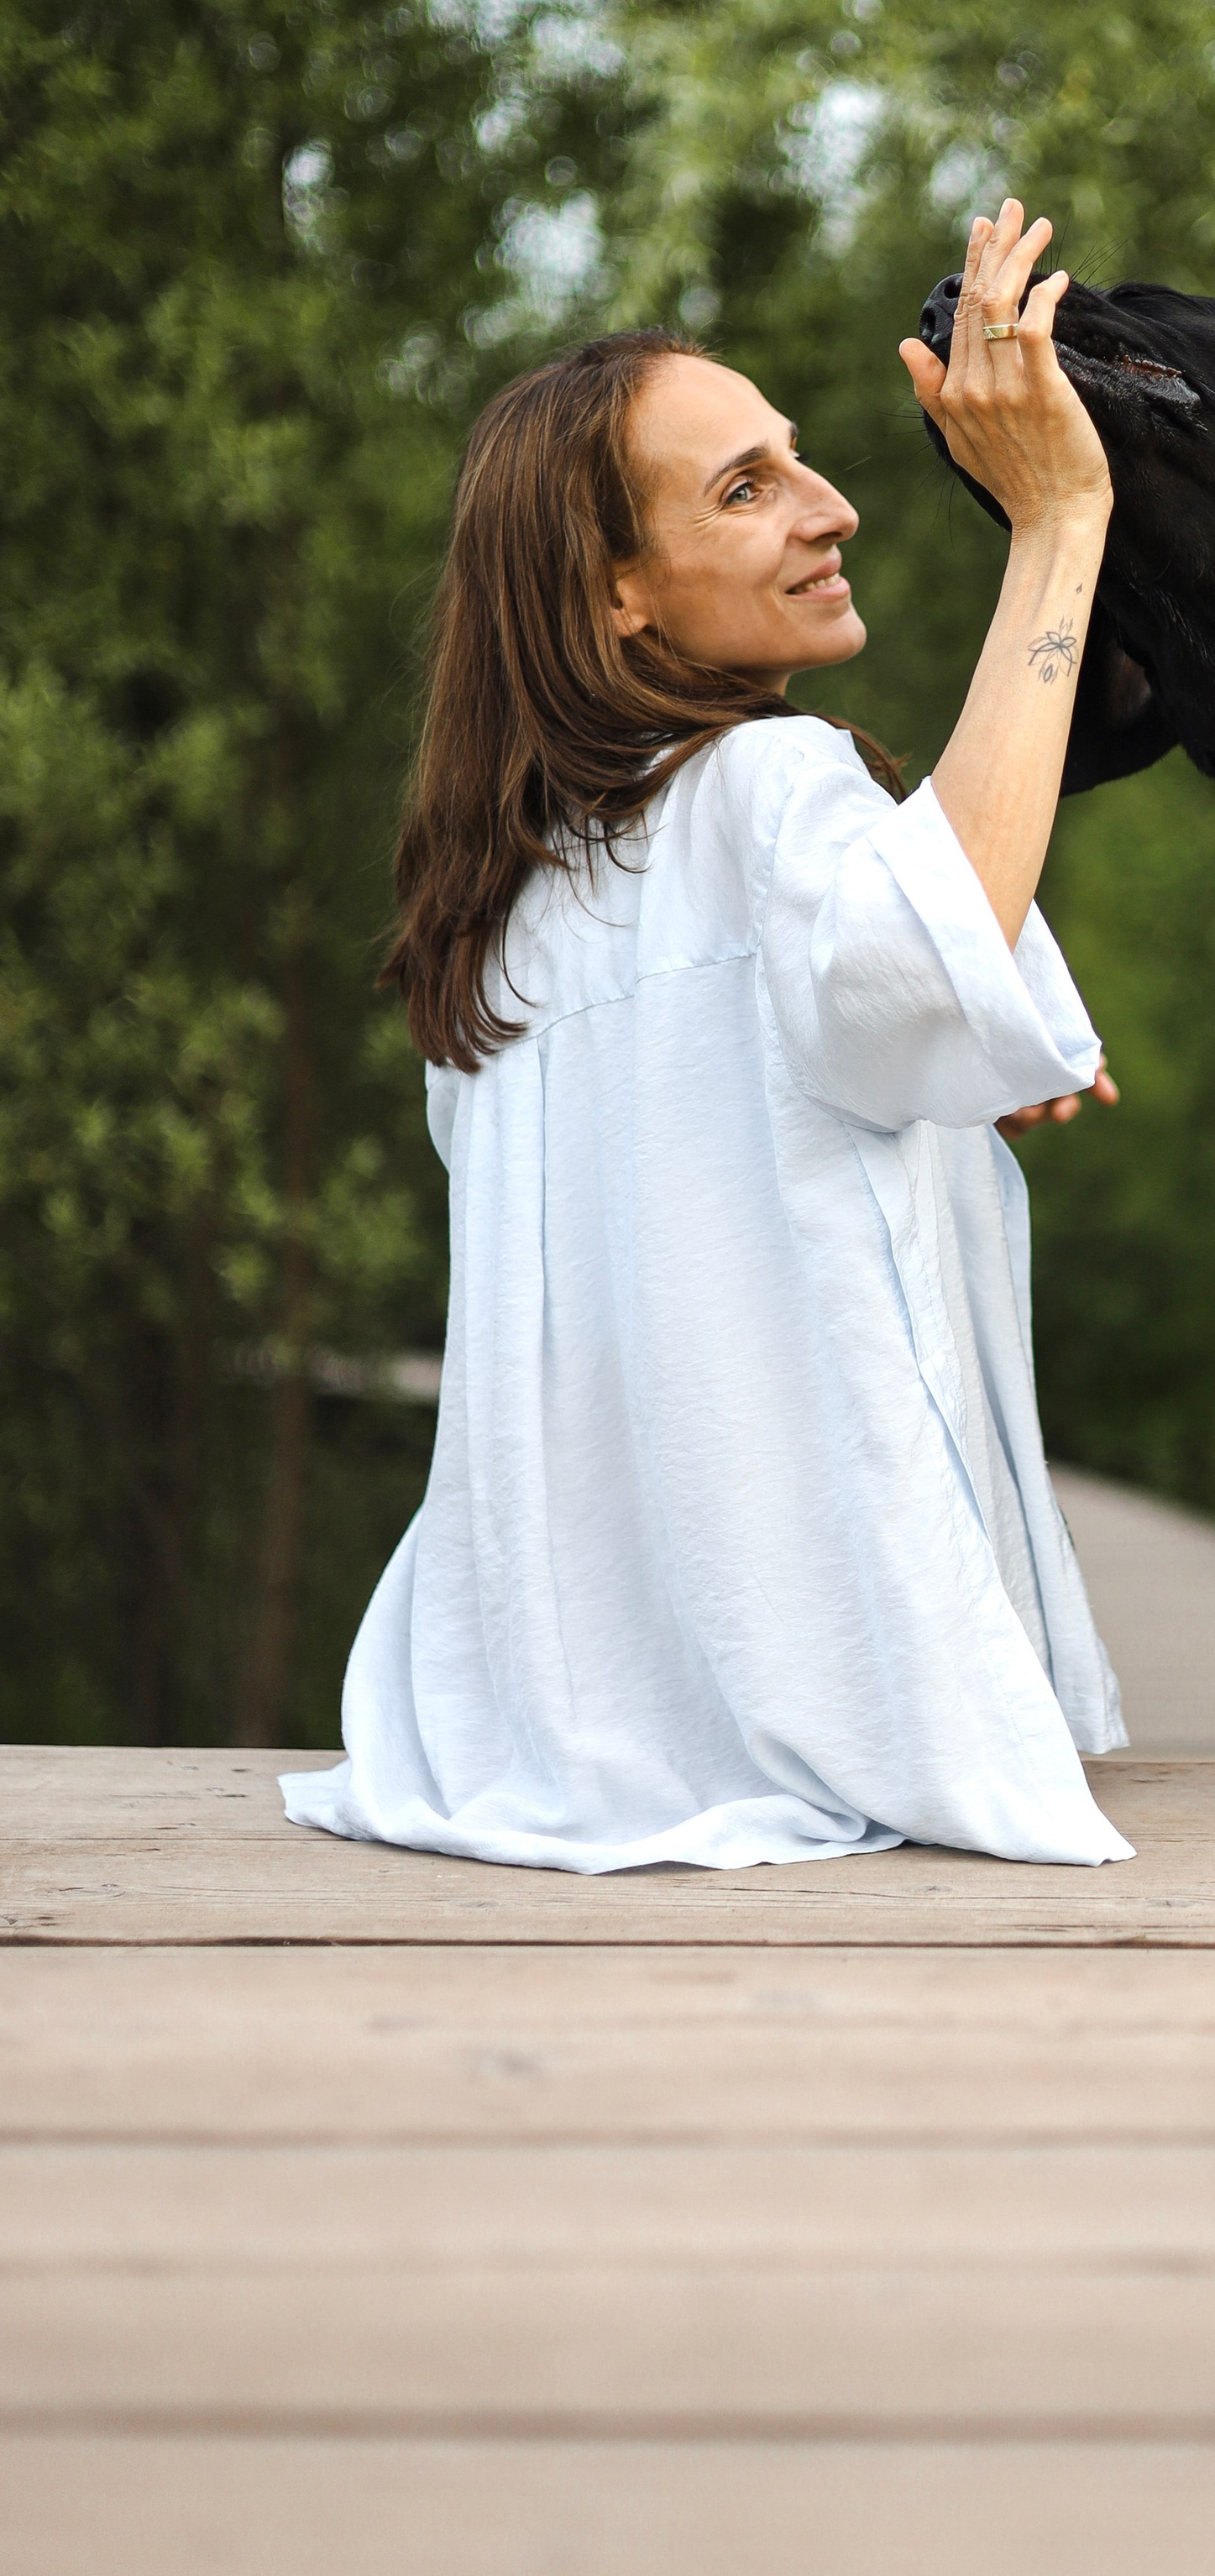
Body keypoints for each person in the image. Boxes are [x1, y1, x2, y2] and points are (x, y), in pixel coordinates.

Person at [281, 200, 1134, 1872]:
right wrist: (1058, 519)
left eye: (795, 459)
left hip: (531, 1720)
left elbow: (843, 1018)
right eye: (744, 487)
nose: (833, 509)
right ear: (617, 596)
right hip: (814, 1698)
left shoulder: (502, 908)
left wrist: (952, 1069)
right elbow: (921, 942)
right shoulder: (768, 788)